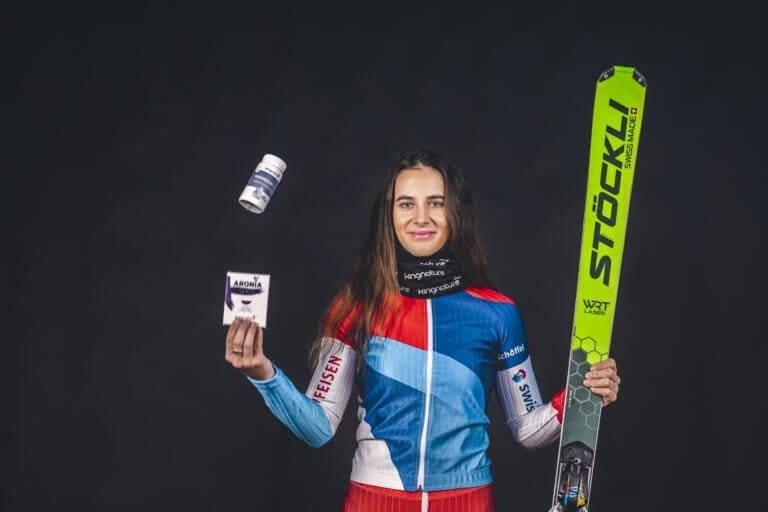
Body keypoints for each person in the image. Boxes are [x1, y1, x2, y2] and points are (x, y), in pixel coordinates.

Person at [224, 148, 621, 512]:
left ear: (455, 213)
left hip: (467, 501)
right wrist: (263, 374)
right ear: (389, 216)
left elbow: (529, 429)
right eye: (406, 204)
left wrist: (583, 393)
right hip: (373, 501)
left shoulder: (496, 313)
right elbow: (317, 427)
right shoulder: (356, 308)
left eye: (436, 203)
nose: (421, 217)